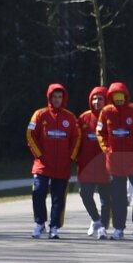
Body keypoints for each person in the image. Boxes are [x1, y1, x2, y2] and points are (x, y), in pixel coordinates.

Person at [96, 81, 133, 240]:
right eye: (116, 99)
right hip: (114, 163)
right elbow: (100, 133)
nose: (119, 101)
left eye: (121, 98)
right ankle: (118, 228)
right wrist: (107, 150)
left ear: (126, 97)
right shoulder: (106, 112)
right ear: (111, 98)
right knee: (118, 196)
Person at [26, 83, 81, 239]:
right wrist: (39, 154)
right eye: (54, 97)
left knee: (58, 198)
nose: (57, 100)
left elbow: (77, 138)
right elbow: (30, 135)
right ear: (49, 98)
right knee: (38, 192)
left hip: (62, 167)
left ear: (63, 98)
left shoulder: (70, 118)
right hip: (42, 165)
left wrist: (71, 157)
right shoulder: (39, 115)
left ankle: (54, 227)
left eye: (60, 97)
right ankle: (39, 223)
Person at [76, 86, 111, 239]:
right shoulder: (83, 118)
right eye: (94, 99)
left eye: (100, 98)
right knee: (85, 194)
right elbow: (76, 141)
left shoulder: (111, 117)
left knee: (105, 199)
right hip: (86, 166)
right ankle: (95, 220)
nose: (97, 101)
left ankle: (103, 227)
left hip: (105, 166)